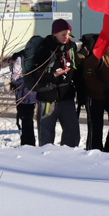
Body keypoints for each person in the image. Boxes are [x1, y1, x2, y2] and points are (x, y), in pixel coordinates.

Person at [28, 19, 81, 148]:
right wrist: (53, 76)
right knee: (46, 137)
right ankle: (47, 158)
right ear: (54, 34)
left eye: (68, 34)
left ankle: (69, 157)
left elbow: (78, 71)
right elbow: (35, 75)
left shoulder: (71, 48)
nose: (66, 37)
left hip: (66, 97)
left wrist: (81, 92)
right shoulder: (45, 50)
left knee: (72, 133)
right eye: (63, 34)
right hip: (47, 99)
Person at [83, 34, 109, 153]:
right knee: (96, 127)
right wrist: (104, 89)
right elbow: (89, 77)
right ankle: (93, 153)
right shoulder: (97, 54)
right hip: (96, 96)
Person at [8, 52, 36, 146]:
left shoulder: (21, 59)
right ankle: (29, 144)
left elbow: (15, 79)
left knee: (26, 122)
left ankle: (27, 145)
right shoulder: (33, 57)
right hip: (32, 95)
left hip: (25, 95)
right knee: (28, 122)